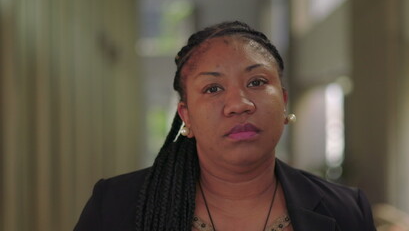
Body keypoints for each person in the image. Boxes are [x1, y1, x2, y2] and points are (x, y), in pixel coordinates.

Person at [74, 21, 376, 231]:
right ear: (186, 115)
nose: (239, 104)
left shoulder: (346, 210)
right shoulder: (115, 205)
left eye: (257, 82)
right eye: (213, 89)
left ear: (283, 101)